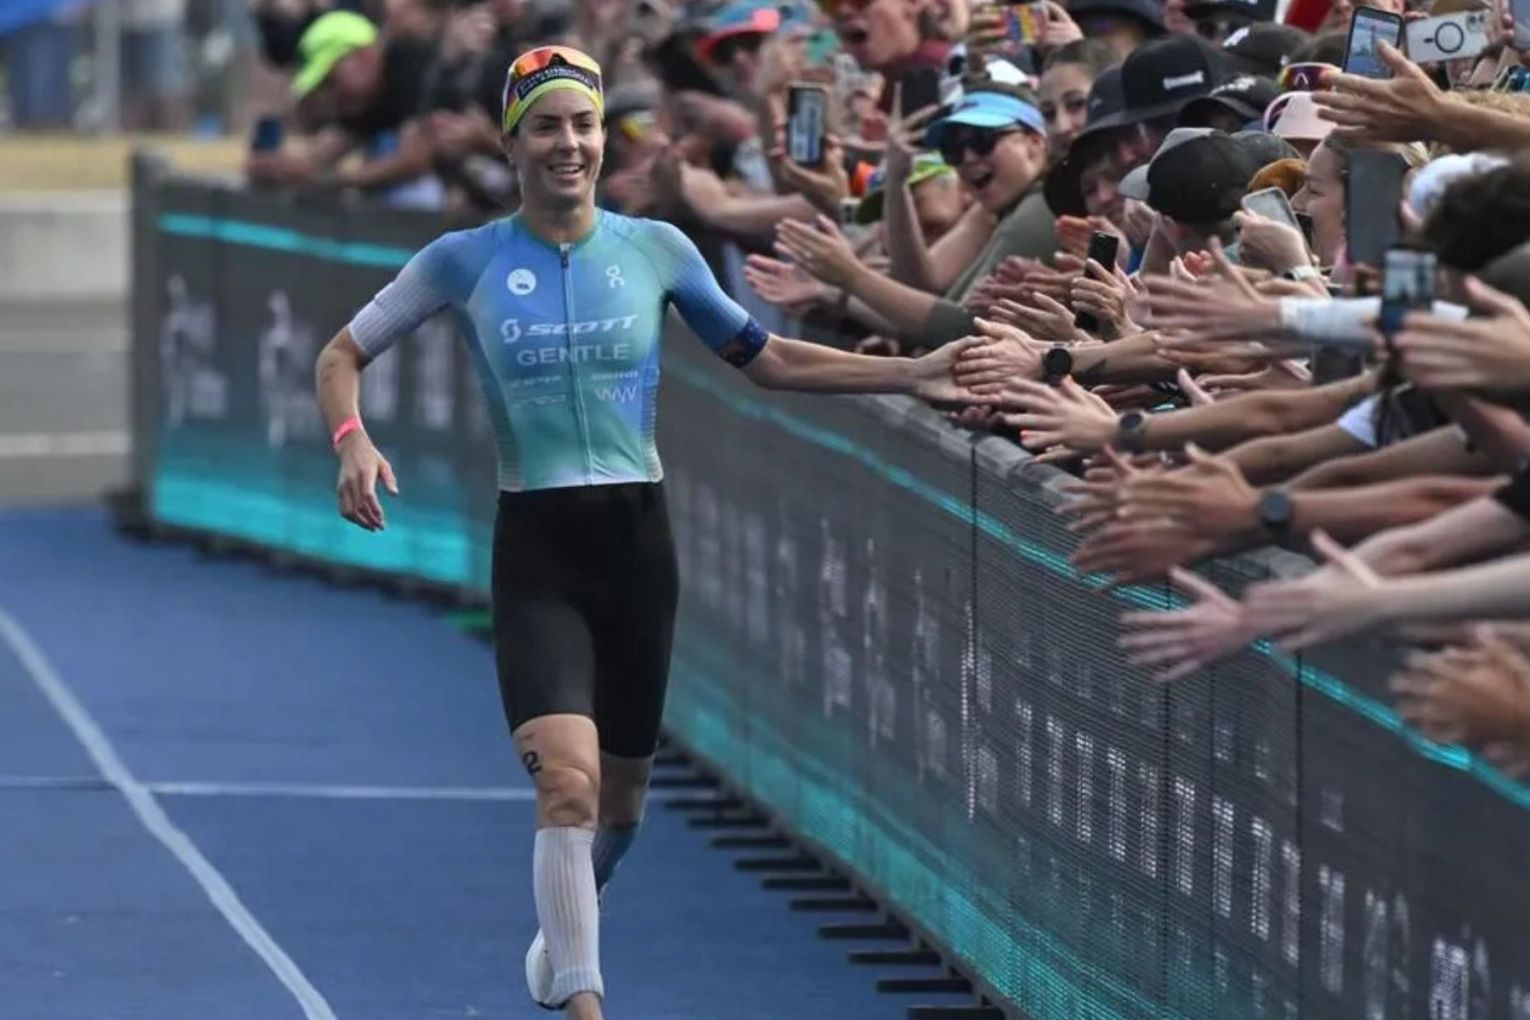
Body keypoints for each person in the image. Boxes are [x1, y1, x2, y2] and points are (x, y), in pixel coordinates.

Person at [311, 45, 973, 1020]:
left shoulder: (657, 249)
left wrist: (912, 373)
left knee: (617, 810)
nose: (570, 143)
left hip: (637, 550)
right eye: (548, 126)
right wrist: (351, 440)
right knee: (565, 793)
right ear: (515, 140)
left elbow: (770, 359)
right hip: (537, 552)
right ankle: (585, 1004)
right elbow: (341, 352)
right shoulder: (466, 258)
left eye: (583, 124)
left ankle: (565, 932)